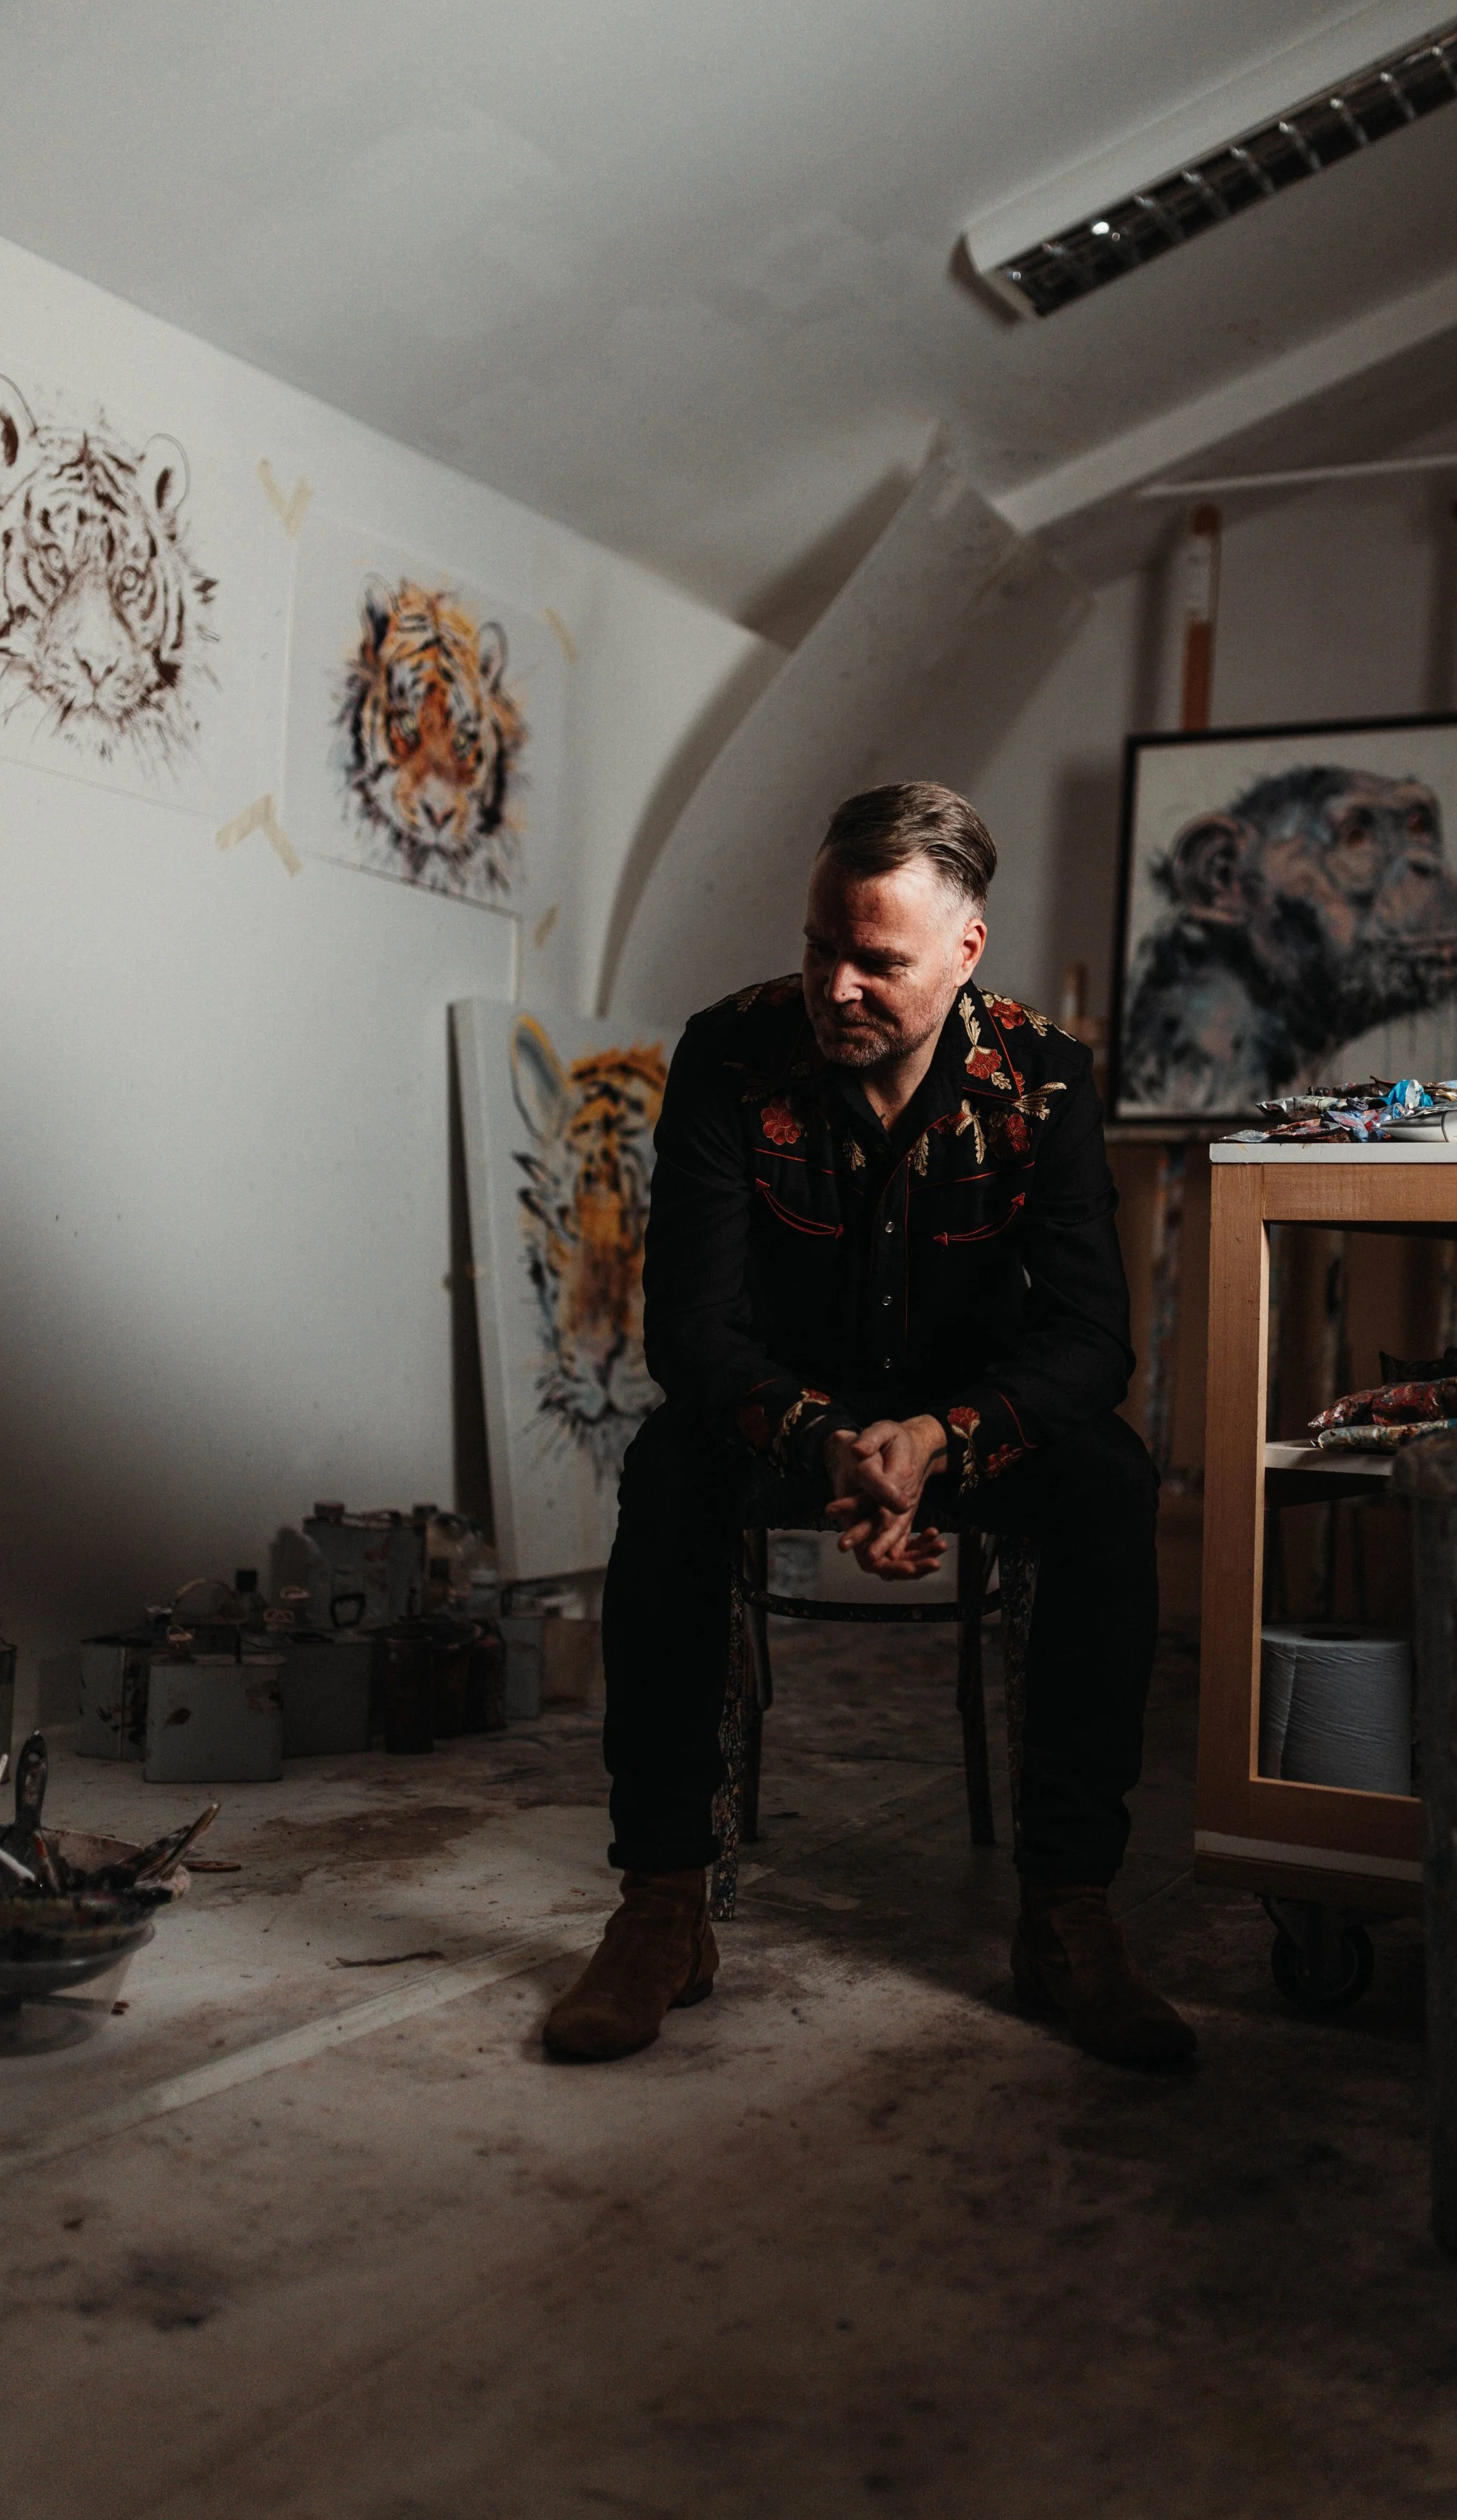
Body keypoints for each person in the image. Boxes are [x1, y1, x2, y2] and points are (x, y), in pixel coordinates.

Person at [542, 781, 1194, 2070]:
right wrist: (829, 1441)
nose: (833, 987)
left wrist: (936, 1441)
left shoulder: (1044, 1079)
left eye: (876, 962)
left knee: (1110, 1479)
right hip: (789, 1422)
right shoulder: (730, 1055)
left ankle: (1068, 1912)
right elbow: (690, 1331)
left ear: (966, 950)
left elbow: (1089, 1341)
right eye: (816, 946)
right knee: (669, 1467)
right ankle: (663, 1907)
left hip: (967, 1428)